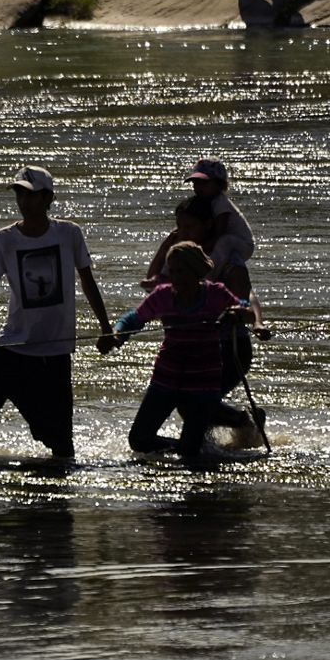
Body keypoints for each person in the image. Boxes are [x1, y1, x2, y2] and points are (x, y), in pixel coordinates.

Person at [0, 166, 117, 459]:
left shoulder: (69, 233)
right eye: (19, 194)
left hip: (55, 350)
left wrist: (106, 327)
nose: (23, 202)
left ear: (47, 198)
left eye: (30, 195)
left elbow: (87, 281)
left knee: (62, 445)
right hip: (13, 345)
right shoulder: (4, 239)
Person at [140, 195, 272, 448]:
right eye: (179, 226)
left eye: (189, 227)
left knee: (194, 403)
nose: (183, 232)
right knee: (189, 403)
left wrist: (257, 322)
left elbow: (247, 296)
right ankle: (227, 432)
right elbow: (155, 284)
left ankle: (237, 427)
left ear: (208, 226)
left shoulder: (227, 259)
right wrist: (164, 246)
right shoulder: (181, 256)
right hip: (190, 347)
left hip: (228, 348)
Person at [111, 242, 253, 458]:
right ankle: (196, 449)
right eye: (173, 271)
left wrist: (239, 313)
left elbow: (246, 310)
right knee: (139, 440)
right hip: (166, 379)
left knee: (190, 453)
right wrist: (117, 334)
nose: (176, 277)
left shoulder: (216, 294)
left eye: (181, 271)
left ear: (196, 271)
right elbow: (134, 318)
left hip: (203, 383)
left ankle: (198, 447)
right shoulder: (162, 295)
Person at [181, 157, 254, 282]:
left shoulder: (220, 203)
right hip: (227, 242)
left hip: (242, 244)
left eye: (204, 183)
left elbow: (220, 232)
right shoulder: (204, 202)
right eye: (196, 183)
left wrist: (203, 248)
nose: (198, 187)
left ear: (219, 184)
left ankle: (208, 278)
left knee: (223, 242)